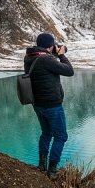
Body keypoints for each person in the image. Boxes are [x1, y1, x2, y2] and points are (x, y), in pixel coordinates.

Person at [24, 32, 74, 179]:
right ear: (50, 46)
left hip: (37, 104)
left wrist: (53, 54)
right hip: (52, 105)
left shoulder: (30, 57)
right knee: (61, 136)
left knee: (46, 133)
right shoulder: (47, 59)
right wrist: (62, 55)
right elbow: (69, 71)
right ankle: (52, 170)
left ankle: (41, 164)